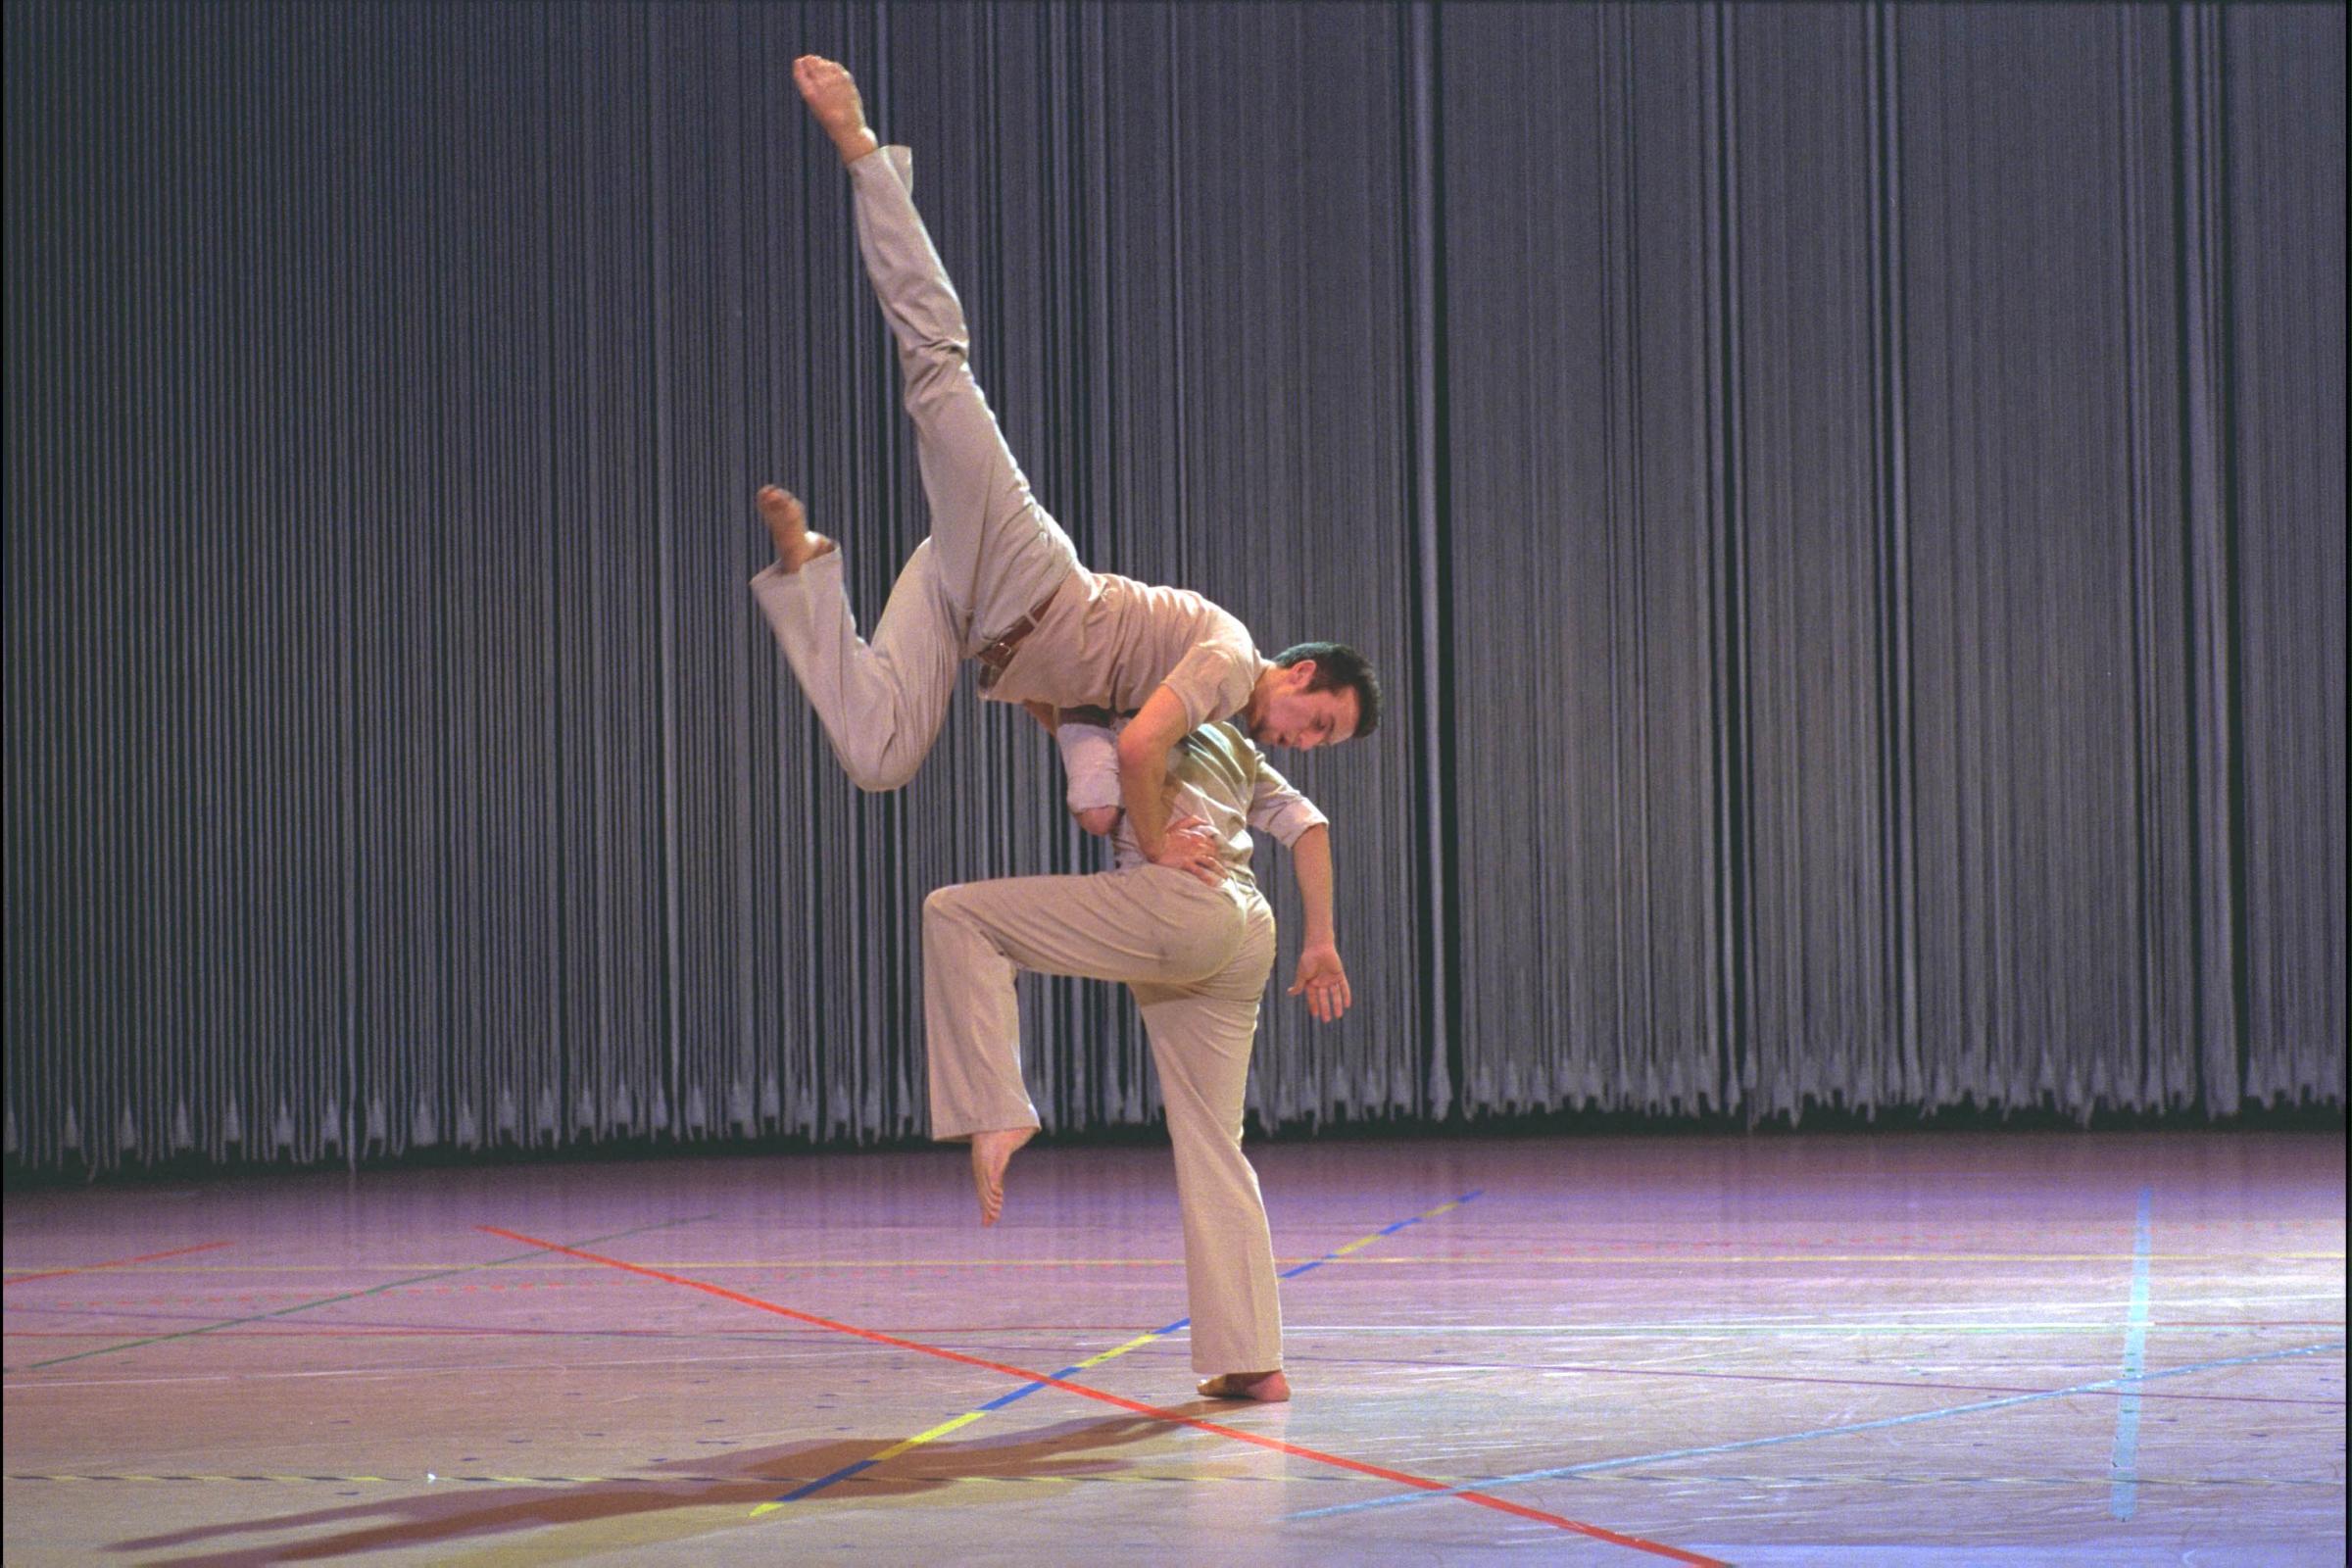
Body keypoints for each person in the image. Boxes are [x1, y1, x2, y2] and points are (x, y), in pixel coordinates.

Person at [754, 55, 1381, 880]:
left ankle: (806, 573)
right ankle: (863, 151)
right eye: (1317, 725)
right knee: (939, 367)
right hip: (1025, 576)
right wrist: (1160, 847)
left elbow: (1095, 724)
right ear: (1301, 673)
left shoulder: (1212, 705)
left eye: (1313, 743)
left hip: (973, 615)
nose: (1299, 743)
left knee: (880, 756)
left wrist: (1089, 775)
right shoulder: (1232, 660)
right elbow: (1142, 745)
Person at [922, 705, 1348, 1403]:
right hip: (1248, 929)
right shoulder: (1230, 739)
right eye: (1319, 726)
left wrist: (1058, 720)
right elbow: (1309, 825)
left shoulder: (1132, 713)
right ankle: (1252, 1361)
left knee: (955, 913)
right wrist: (1321, 940)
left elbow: (1095, 808)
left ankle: (996, 1108)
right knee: (1216, 1144)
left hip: (1180, 909)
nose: (1307, 741)